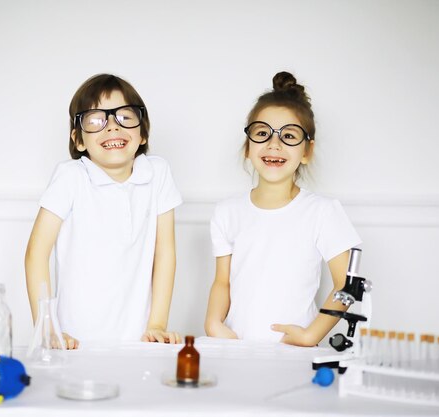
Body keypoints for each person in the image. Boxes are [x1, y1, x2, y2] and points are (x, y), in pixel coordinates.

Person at [204, 71, 362, 346]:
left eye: (289, 136)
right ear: (247, 146)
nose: (273, 144)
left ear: (306, 151)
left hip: (293, 351)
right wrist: (213, 323)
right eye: (262, 133)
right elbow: (222, 282)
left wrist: (311, 335)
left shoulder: (322, 212)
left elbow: (346, 283)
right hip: (237, 346)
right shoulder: (226, 212)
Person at [25, 74, 182, 349]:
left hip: (138, 339)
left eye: (125, 117)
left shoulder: (157, 173)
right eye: (96, 120)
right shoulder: (71, 177)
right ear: (79, 140)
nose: (112, 127)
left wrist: (157, 323)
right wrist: (47, 328)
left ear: (142, 132)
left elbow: (165, 252)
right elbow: (37, 253)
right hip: (73, 339)